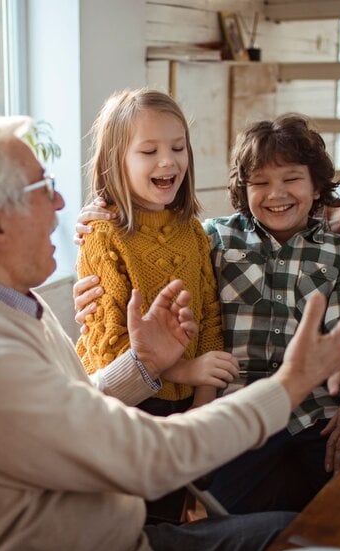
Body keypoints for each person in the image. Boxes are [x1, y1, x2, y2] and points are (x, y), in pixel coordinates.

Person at [0, 115, 340, 551]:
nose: (62, 203)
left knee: (296, 532)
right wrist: (290, 384)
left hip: (119, 537)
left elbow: (69, 413)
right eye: (42, 188)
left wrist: (142, 364)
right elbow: (156, 459)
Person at [74, 133, 340, 510]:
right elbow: (163, 271)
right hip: (239, 403)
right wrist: (105, 236)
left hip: (318, 413)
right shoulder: (250, 223)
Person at [77, 89, 238, 521]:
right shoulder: (102, 236)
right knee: (133, 523)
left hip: (184, 407)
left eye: (178, 147)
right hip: (128, 411)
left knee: (171, 517)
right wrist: (184, 370)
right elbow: (111, 350)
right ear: (116, 163)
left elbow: (208, 321)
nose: (168, 161)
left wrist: (203, 400)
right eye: (149, 151)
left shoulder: (194, 233)